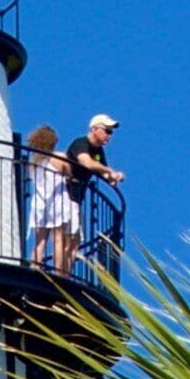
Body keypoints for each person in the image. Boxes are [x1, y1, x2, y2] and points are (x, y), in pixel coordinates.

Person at [63, 115, 124, 276]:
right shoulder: (81, 143)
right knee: (69, 237)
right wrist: (109, 171)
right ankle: (59, 274)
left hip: (76, 197)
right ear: (94, 129)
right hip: (66, 195)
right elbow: (87, 163)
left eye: (111, 133)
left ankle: (64, 274)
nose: (109, 136)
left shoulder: (98, 151)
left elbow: (103, 171)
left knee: (75, 239)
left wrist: (113, 176)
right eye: (107, 131)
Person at [23, 124, 77, 271]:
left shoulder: (33, 163)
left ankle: (35, 268)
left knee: (40, 241)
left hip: (39, 203)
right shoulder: (59, 158)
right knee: (58, 239)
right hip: (57, 202)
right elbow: (70, 175)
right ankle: (58, 273)